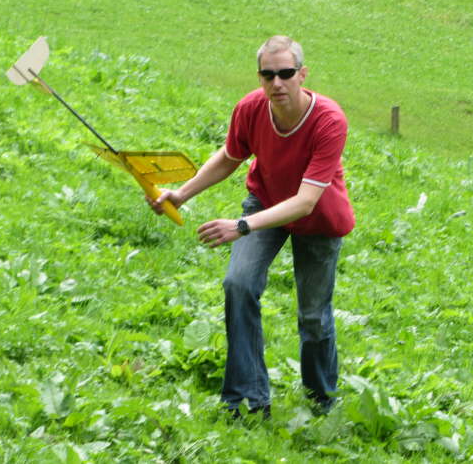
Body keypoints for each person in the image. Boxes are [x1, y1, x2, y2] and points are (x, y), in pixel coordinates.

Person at [148, 35, 355, 418]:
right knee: (238, 283)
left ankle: (321, 400)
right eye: (268, 74)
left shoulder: (329, 120)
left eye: (286, 74)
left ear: (302, 74)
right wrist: (182, 195)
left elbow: (306, 201)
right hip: (265, 201)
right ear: (260, 76)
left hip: (318, 219)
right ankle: (247, 398)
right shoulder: (251, 108)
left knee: (313, 316)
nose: (277, 83)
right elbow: (230, 157)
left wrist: (242, 226)